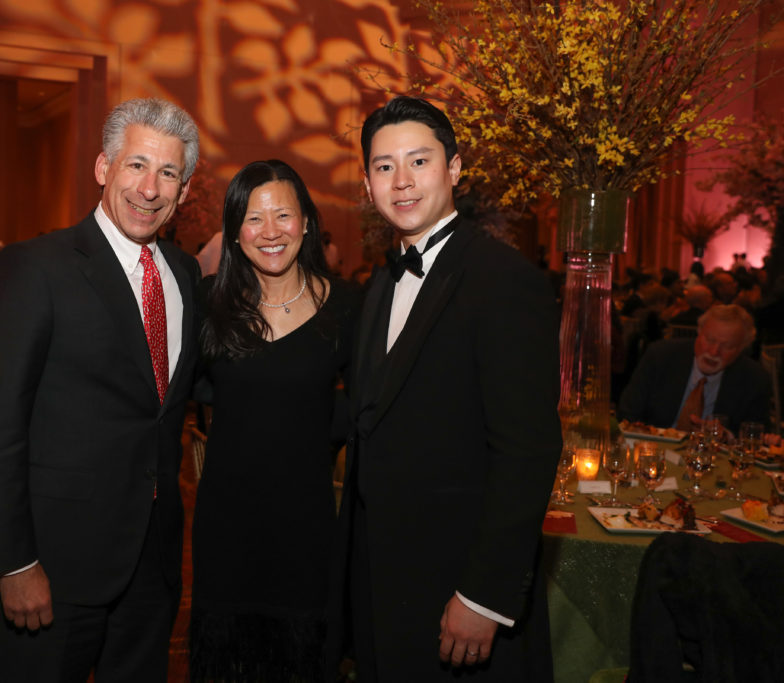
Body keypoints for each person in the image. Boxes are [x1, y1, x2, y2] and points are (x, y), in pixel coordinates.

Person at [0, 97, 202, 683]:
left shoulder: (185, 273)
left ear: (185, 190)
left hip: (154, 563)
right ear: (103, 168)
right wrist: (14, 562)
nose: (150, 188)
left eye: (168, 172)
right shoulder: (34, 267)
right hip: (54, 566)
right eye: (137, 165)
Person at [327, 96, 562, 681]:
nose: (401, 181)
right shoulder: (381, 279)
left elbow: (527, 452)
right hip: (383, 584)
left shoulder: (505, 282)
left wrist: (484, 597)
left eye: (419, 161)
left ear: (454, 169)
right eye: (384, 167)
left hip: (457, 588)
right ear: (367, 182)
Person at [190, 160, 358, 682]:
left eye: (283, 215)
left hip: (305, 528)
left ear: (306, 221)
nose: (270, 232)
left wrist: (312, 425)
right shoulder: (209, 301)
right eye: (253, 219)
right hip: (226, 528)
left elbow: (369, 406)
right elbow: (173, 391)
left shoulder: (346, 306)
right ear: (234, 233)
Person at [618, 304, 771, 434]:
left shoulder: (755, 379)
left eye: (727, 346)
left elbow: (755, 434)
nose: (713, 352)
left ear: (741, 349)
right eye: (709, 340)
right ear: (698, 332)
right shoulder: (660, 356)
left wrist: (727, 438)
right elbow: (627, 412)